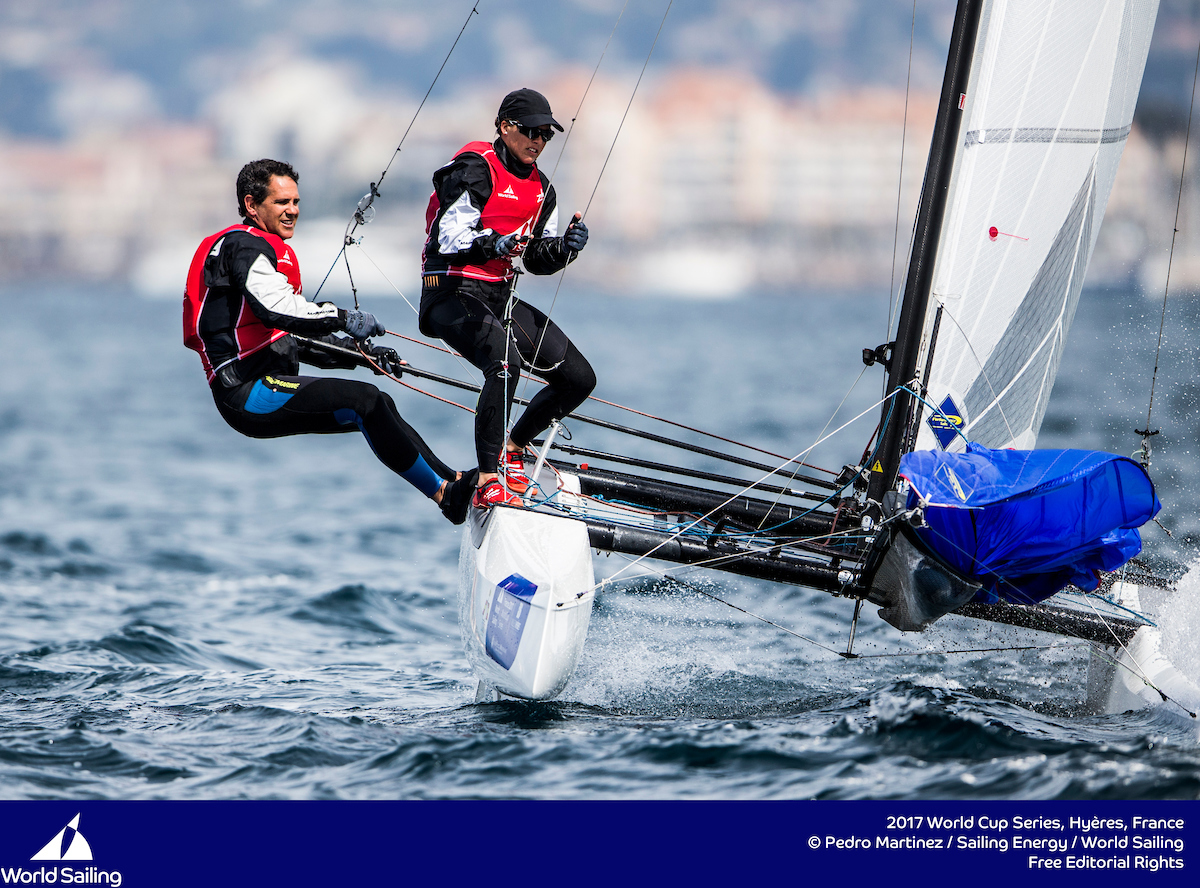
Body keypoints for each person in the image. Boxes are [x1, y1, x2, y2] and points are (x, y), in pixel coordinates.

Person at [184, 158, 478, 524]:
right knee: (364, 401)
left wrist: (364, 354)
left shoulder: (253, 247)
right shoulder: (244, 248)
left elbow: (290, 337)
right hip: (245, 391)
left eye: (296, 201)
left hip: (261, 381)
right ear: (251, 204)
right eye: (281, 202)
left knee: (378, 403)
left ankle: (453, 482)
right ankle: (445, 496)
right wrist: (345, 318)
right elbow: (278, 311)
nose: (292, 210)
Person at [420, 87, 596, 510]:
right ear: (504, 127)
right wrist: (494, 243)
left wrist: (565, 249)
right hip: (449, 292)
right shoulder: (474, 168)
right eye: (531, 131)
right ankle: (487, 480)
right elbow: (448, 238)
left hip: (498, 298)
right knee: (503, 365)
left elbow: (535, 259)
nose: (538, 141)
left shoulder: (543, 190)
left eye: (546, 135)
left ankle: (512, 449)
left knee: (578, 379)